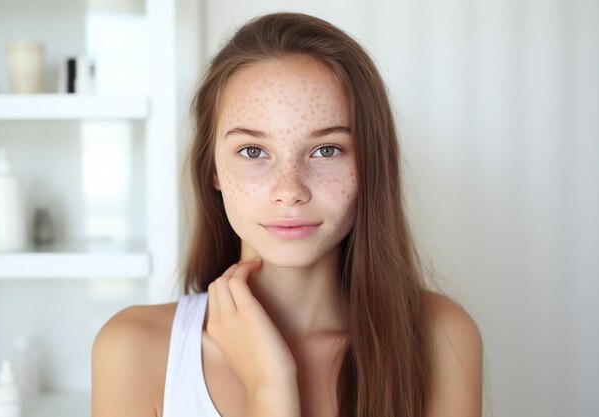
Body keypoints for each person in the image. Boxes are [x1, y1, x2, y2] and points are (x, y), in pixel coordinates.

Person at [91, 12, 483, 417]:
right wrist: (270, 385)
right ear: (213, 169)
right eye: (253, 151)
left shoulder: (441, 338)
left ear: (370, 164)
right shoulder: (133, 351)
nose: (290, 191)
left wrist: (269, 385)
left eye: (326, 150)